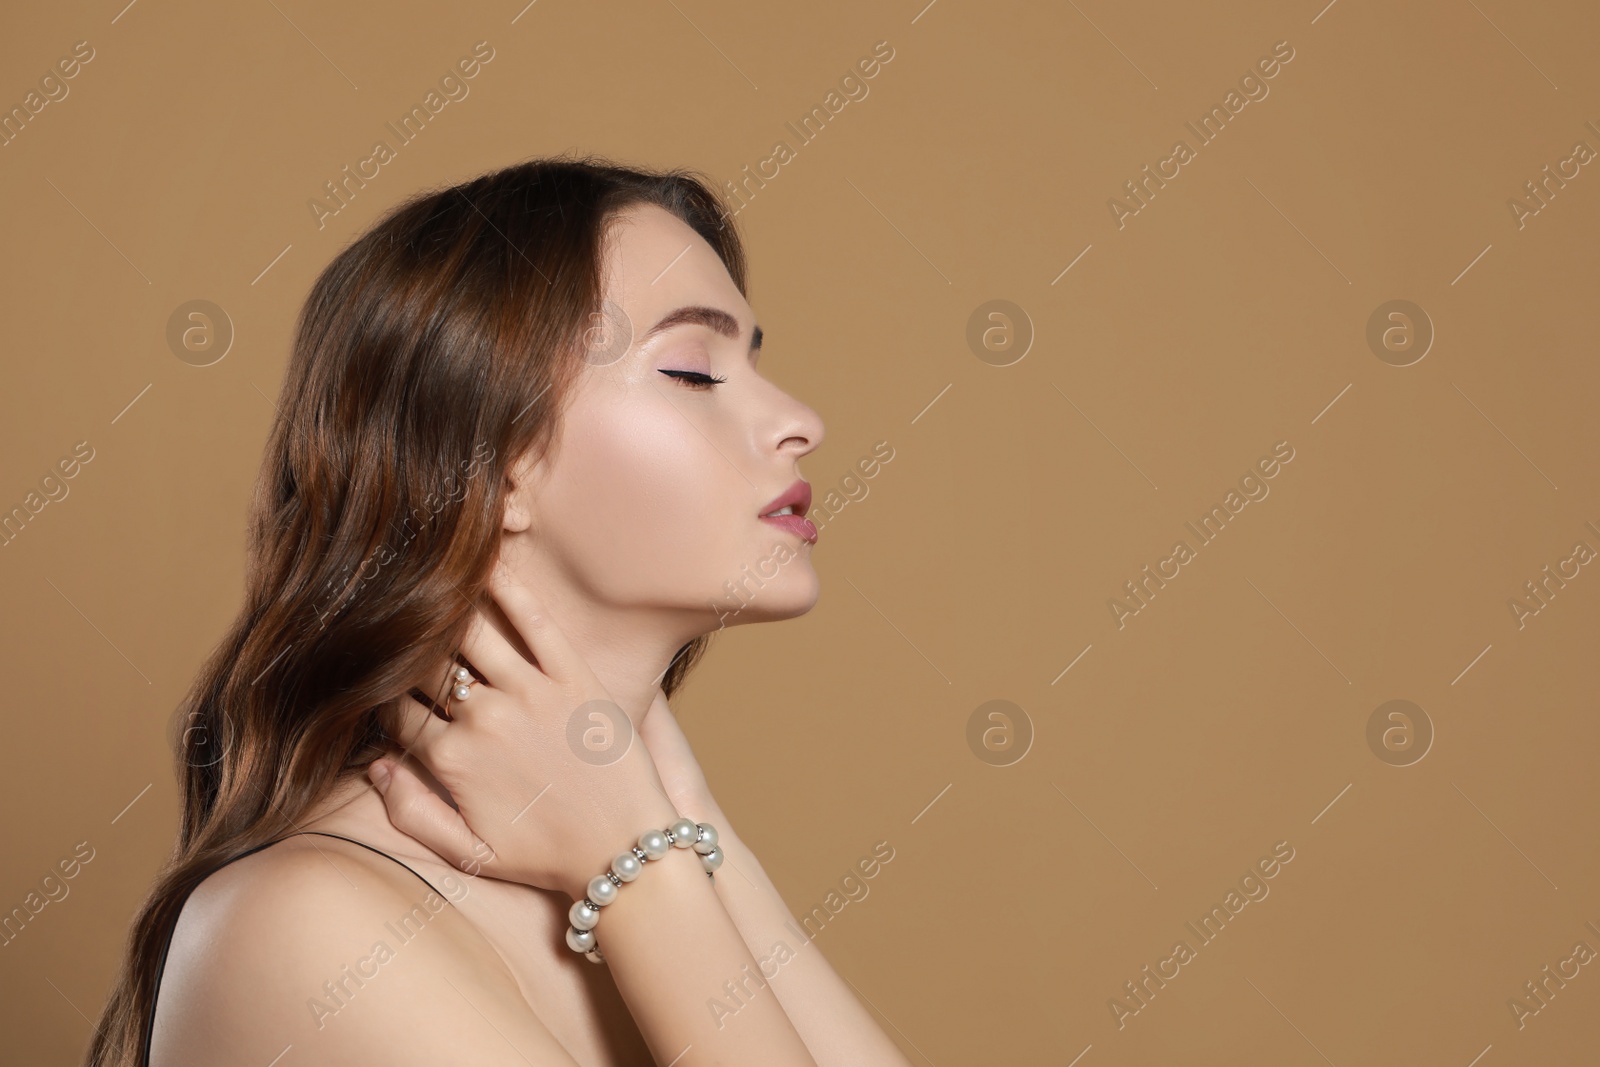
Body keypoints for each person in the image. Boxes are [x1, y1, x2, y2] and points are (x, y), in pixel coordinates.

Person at [87, 155, 912, 1066]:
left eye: (754, 360)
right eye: (692, 370)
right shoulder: (309, 929)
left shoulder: (644, 856)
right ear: (490, 461)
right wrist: (646, 864)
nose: (800, 420)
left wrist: (679, 825)